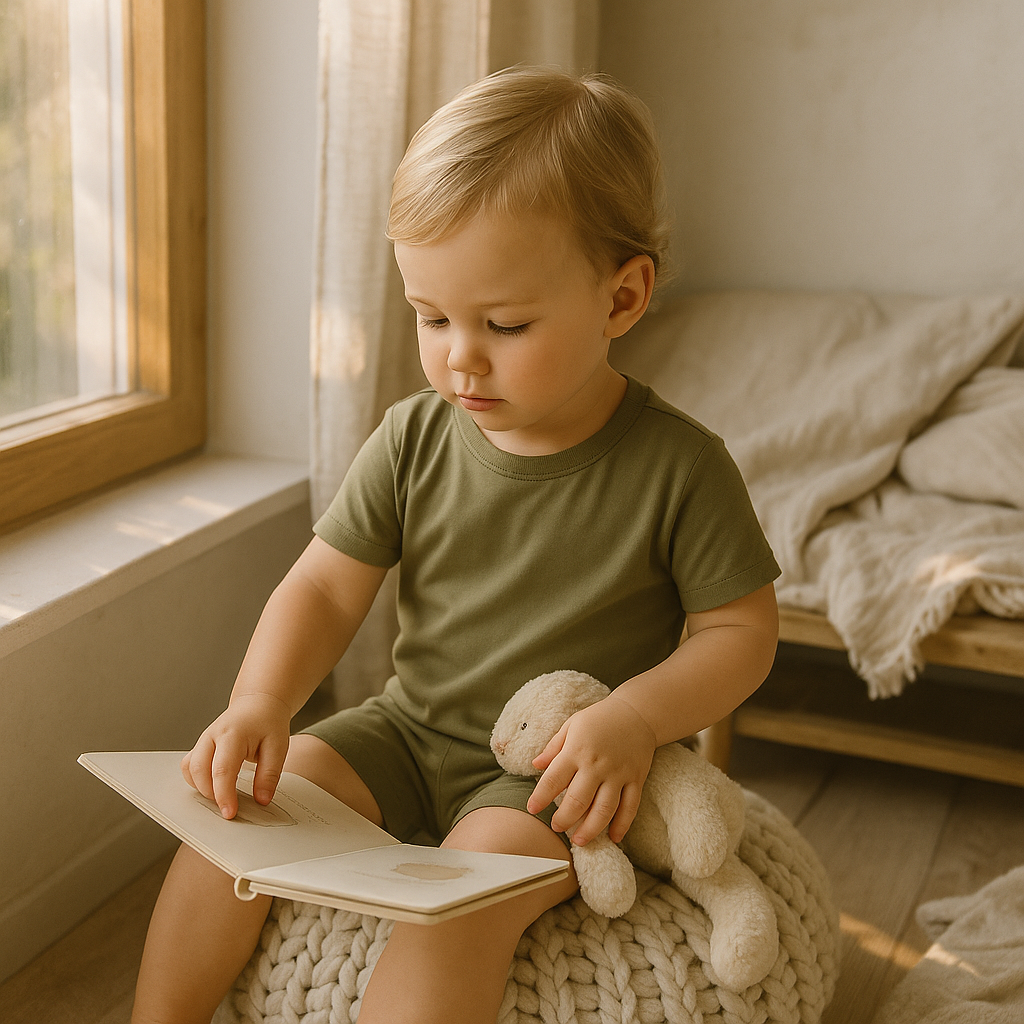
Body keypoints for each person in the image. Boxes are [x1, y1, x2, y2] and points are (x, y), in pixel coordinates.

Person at [130, 67, 781, 1024]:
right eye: (431, 317)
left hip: (549, 781)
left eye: (504, 324)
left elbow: (742, 630)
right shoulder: (413, 437)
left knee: (457, 907)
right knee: (230, 835)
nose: (458, 357)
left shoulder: (679, 465)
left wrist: (637, 719)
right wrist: (260, 702)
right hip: (403, 730)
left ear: (623, 297)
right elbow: (322, 587)